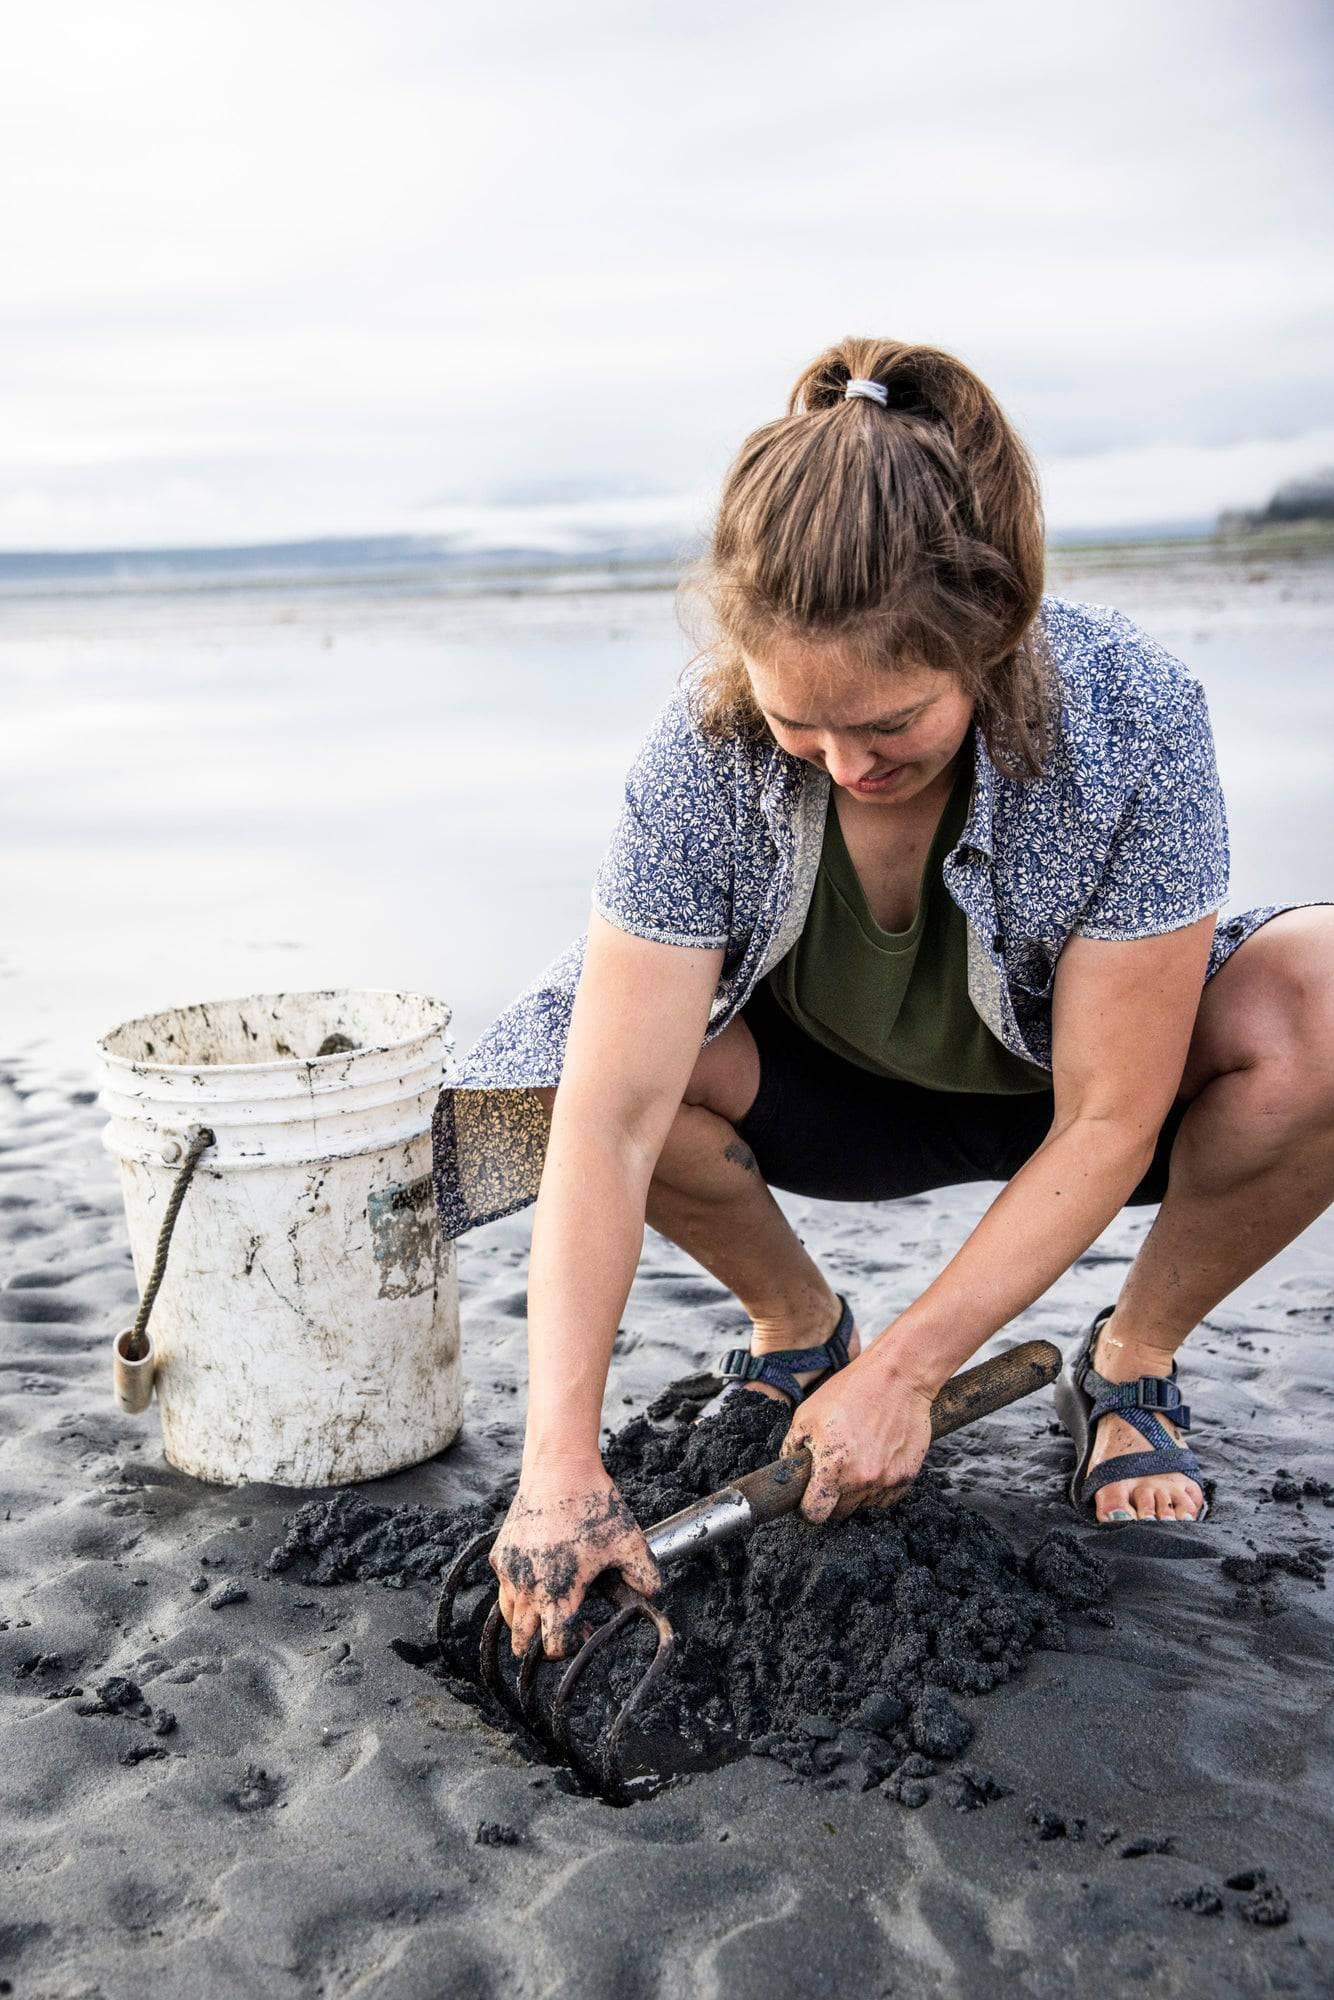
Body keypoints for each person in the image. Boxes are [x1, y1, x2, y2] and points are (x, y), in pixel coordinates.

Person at [430, 338, 1333, 1662]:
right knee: (581, 1047)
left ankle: (1129, 1362)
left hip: (1067, 1105)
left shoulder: (1131, 716)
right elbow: (611, 1120)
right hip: (826, 1102)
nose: (845, 763)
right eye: (803, 725)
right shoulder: (698, 753)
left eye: (891, 724)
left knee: (1320, 1003)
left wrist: (910, 1375)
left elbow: (1103, 1120)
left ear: (991, 637)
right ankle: (800, 1329)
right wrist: (555, 1463)